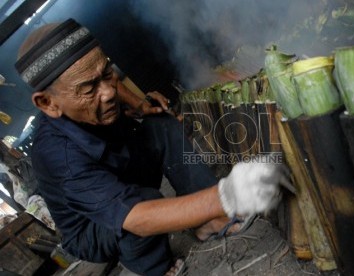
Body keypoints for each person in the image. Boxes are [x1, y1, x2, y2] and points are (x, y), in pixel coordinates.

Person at [14, 18, 288, 275]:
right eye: (88, 90)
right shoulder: (57, 155)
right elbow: (134, 216)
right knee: (143, 203)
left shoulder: (97, 86)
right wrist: (227, 195)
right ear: (48, 104)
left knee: (160, 125)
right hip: (94, 226)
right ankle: (155, 267)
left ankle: (208, 222)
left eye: (107, 73)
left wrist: (138, 103)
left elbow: (105, 81)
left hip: (118, 174)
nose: (108, 92)